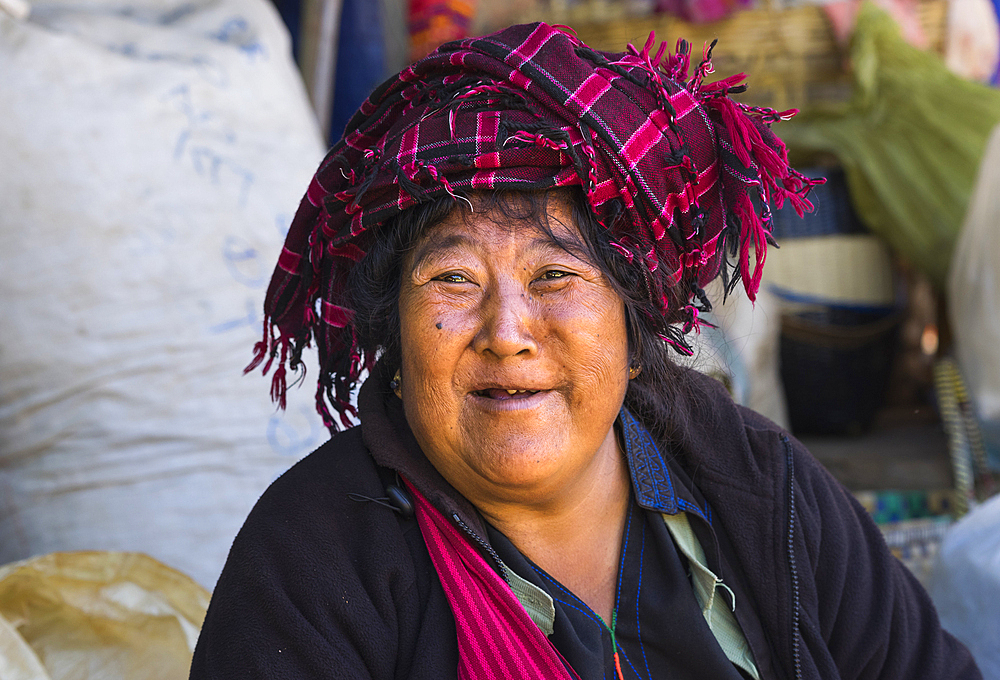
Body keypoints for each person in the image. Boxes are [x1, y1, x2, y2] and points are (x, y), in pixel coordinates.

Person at [189, 22, 981, 680]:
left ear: (635, 330)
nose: (507, 330)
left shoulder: (756, 486)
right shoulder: (313, 564)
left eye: (555, 274)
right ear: (393, 334)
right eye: (454, 279)